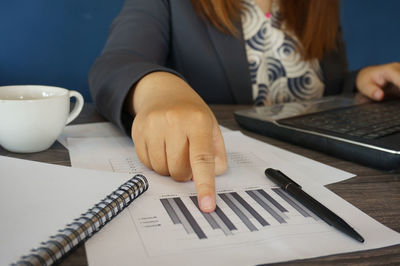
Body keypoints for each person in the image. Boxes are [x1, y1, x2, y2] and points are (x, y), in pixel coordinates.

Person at [89, 0, 400, 213]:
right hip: (240, 178)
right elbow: (116, 62)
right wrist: (160, 90)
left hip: (327, 180)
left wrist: (358, 80)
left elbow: (320, 88)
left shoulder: (318, 6)